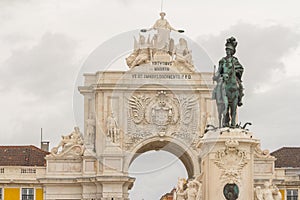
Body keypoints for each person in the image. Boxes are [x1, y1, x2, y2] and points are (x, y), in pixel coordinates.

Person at [213, 37, 244, 107]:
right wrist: (216, 76)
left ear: (232, 51)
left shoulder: (235, 60)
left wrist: (235, 71)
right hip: (224, 77)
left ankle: (240, 99)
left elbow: (241, 68)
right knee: (219, 85)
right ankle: (219, 98)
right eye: (227, 50)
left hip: (232, 76)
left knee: (240, 85)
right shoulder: (222, 60)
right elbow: (219, 71)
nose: (228, 51)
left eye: (229, 50)